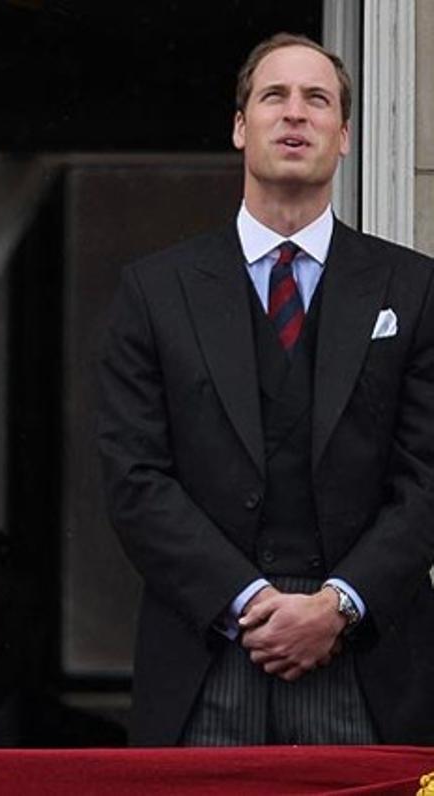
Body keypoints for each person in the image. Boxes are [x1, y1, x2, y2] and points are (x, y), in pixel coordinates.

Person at [98, 33, 434, 746]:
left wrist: (338, 606)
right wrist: (249, 602)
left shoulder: (415, 289)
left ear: (344, 136)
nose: (294, 114)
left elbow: (428, 478)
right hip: (208, 652)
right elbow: (134, 478)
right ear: (239, 126)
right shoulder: (155, 292)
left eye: (317, 100)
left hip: (368, 660)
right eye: (273, 96)